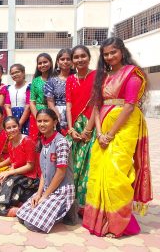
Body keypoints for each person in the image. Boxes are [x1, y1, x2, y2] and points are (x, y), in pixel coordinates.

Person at [83, 37, 152, 238]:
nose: (110, 56)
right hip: (102, 129)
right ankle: (100, 221)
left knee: (116, 175)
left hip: (124, 128)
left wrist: (110, 134)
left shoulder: (132, 75)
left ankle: (120, 224)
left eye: (113, 52)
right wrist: (99, 132)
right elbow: (96, 105)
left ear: (122, 51)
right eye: (106, 54)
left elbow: (129, 106)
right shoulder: (103, 76)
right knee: (98, 174)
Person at [16, 109, 75, 233]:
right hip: (48, 190)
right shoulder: (43, 141)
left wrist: (45, 196)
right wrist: (38, 194)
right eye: (39, 121)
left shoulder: (61, 142)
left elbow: (61, 173)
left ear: (54, 122)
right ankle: (49, 210)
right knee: (21, 216)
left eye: (46, 121)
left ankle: (63, 212)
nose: (42, 124)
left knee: (31, 224)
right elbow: (44, 171)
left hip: (61, 191)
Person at [0, 116, 39, 217]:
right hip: (18, 174)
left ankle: (5, 207)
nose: (12, 129)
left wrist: (9, 172)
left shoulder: (27, 141)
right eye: (9, 128)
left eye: (14, 126)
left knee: (9, 181)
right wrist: (6, 173)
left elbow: (30, 166)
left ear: (19, 127)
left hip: (30, 177)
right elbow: (13, 162)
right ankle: (4, 204)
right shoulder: (10, 142)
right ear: (5, 129)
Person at [65, 45, 96, 213]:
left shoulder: (97, 76)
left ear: (89, 57)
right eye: (76, 57)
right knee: (72, 166)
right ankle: (72, 204)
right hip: (75, 126)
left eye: (83, 56)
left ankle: (87, 207)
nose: (79, 60)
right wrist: (70, 128)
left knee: (87, 166)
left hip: (91, 125)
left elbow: (98, 103)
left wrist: (88, 130)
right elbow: (69, 104)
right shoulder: (71, 79)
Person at [45, 49, 73, 134]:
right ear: (58, 62)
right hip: (57, 113)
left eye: (68, 59)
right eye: (62, 59)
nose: (65, 61)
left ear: (72, 61)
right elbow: (50, 103)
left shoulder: (76, 79)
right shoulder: (51, 81)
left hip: (75, 112)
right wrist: (58, 117)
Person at [29, 53, 53, 140]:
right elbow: (32, 102)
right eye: (40, 63)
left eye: (45, 62)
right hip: (37, 114)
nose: (42, 65)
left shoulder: (56, 79)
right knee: (37, 142)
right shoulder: (35, 80)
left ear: (50, 63)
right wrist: (38, 119)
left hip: (52, 114)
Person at [5, 63, 31, 135]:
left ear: (23, 72)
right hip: (12, 115)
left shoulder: (29, 86)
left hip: (25, 117)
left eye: (17, 72)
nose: (15, 75)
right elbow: (7, 106)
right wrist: (11, 122)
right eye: (12, 73)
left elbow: (28, 106)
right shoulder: (9, 88)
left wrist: (19, 123)